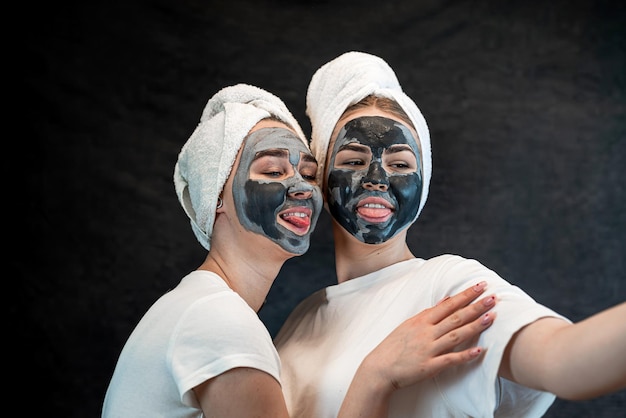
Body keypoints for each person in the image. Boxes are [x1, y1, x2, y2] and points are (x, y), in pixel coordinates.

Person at [101, 83, 497, 417]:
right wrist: (376, 374)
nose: (302, 188)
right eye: (272, 172)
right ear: (215, 197)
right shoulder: (218, 321)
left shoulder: (193, 306)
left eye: (308, 174)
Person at [274, 51, 626, 418]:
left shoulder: (447, 288)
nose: (377, 179)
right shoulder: (303, 319)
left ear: (422, 185)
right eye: (353, 161)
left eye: (399, 164)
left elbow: (563, 360)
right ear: (320, 178)